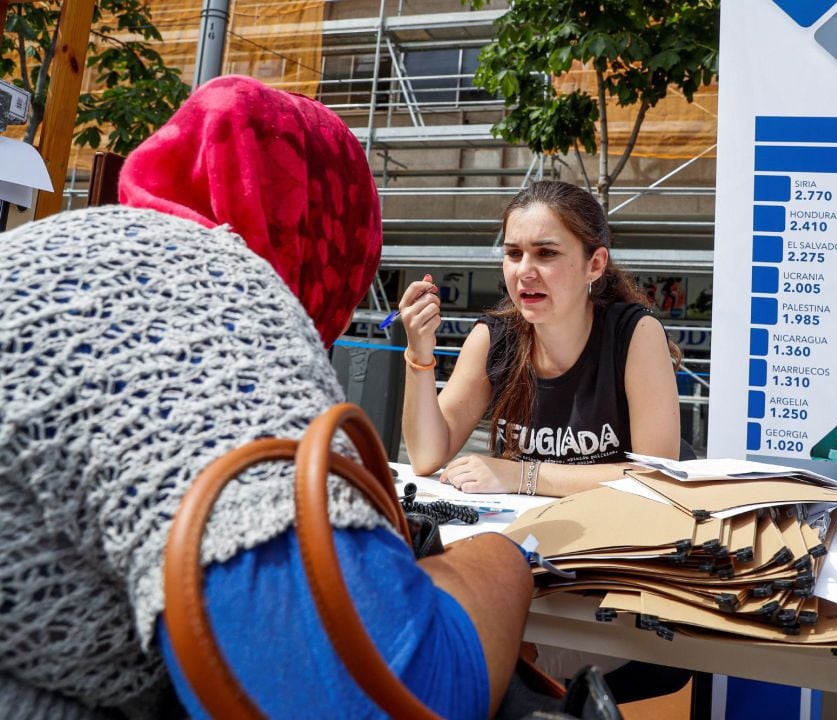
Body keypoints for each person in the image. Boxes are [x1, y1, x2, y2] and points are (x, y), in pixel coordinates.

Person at [0, 75, 531, 719]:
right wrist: (504, 564)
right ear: (332, 223)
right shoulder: (215, 296)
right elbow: (362, 695)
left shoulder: (75, 259)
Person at [400, 180, 686, 496]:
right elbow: (425, 457)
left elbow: (658, 478)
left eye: (546, 253)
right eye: (513, 253)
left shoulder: (636, 334)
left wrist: (524, 476)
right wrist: (419, 354)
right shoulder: (493, 337)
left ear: (595, 264)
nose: (524, 271)